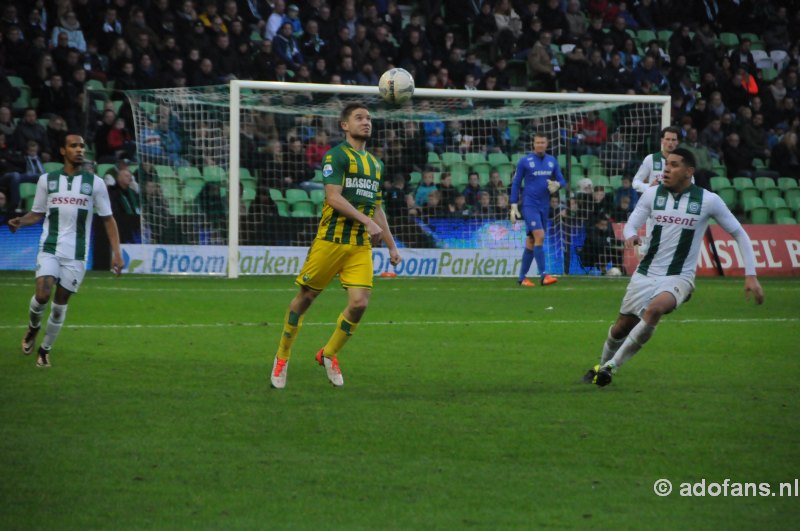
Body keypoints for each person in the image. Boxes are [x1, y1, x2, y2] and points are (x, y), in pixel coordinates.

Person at [583, 148, 764, 387]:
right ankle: (601, 366)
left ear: (689, 172)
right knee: (621, 327)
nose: (667, 169)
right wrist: (630, 236)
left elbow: (740, 234)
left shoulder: (708, 201)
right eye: (666, 164)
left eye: (674, 165)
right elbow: (631, 225)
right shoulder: (651, 195)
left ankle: (611, 367)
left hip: (679, 277)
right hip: (646, 273)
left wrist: (751, 275)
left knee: (655, 309)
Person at [270, 103, 401, 389]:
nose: (366, 122)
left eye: (368, 118)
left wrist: (392, 246)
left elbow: (376, 207)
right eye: (359, 118)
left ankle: (328, 354)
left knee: (359, 304)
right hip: (330, 241)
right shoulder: (336, 156)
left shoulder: (375, 164)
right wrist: (366, 222)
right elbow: (332, 198)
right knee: (304, 299)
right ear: (344, 125)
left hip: (359, 246)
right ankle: (282, 356)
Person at [8, 133, 123, 368]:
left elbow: (108, 219)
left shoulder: (95, 183)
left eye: (82, 146)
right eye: (73, 146)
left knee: (59, 307)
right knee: (42, 295)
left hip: (77, 254)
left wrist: (117, 253)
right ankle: (32, 328)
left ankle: (45, 350)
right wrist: (20, 221)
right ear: (63, 151)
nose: (79, 150)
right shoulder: (46, 180)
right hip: (49, 247)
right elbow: (38, 213)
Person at [510, 133, 566, 286]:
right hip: (529, 205)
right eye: (537, 142)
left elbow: (562, 179)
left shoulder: (552, 161)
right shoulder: (525, 161)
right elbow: (516, 183)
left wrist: (558, 185)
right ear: (533, 144)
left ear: (547, 144)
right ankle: (544, 275)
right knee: (539, 235)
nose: (540, 145)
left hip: (544, 206)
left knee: (531, 241)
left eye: (543, 142)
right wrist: (513, 204)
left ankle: (522, 278)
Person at [632, 126, 680, 256]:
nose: (670, 142)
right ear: (662, 141)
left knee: (672, 247)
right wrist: (649, 187)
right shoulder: (651, 159)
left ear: (678, 142)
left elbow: (691, 183)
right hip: (655, 208)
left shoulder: (683, 162)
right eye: (667, 139)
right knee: (652, 246)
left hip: (676, 210)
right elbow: (635, 182)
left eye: (673, 139)